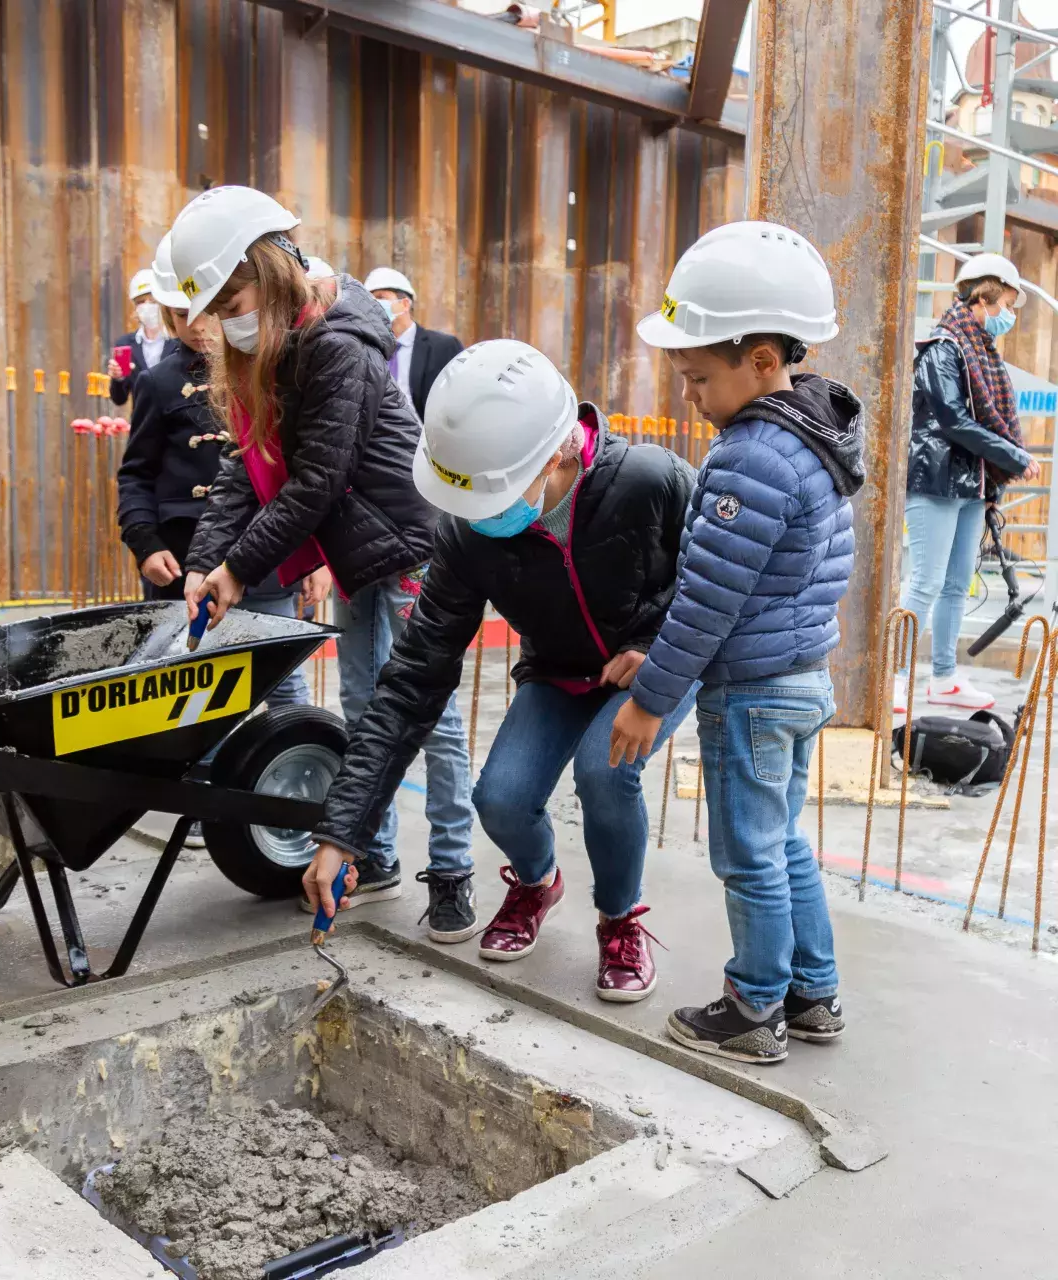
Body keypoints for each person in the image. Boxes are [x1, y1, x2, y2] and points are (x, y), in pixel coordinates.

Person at [303, 340, 697, 983]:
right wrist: (342, 833)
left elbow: (716, 584)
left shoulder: (650, 480)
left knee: (604, 774)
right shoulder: (466, 531)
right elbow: (412, 679)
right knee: (501, 798)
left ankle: (619, 917)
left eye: (492, 498)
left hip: (656, 659)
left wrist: (658, 652)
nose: (477, 518)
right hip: (559, 670)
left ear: (556, 454)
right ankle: (538, 883)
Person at [169, 185, 475, 924]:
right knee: (365, 705)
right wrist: (203, 563)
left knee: (428, 713)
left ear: (272, 272)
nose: (226, 321)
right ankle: (377, 852)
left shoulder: (339, 345)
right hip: (355, 552)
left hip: (410, 547)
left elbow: (316, 482)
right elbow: (245, 465)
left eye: (232, 301)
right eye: (216, 309)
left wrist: (239, 569)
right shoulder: (277, 350)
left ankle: (452, 867)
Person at [612, 221, 861, 1065]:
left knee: (748, 854)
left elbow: (708, 600)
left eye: (697, 377)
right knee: (783, 841)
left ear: (758, 359)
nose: (689, 395)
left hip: (752, 691)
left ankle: (754, 1008)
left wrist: (652, 700)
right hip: (801, 676)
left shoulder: (751, 456)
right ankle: (813, 991)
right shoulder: (816, 435)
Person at [117, 232, 313, 707]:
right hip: (182, 559)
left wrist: (317, 558)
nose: (197, 324)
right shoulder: (157, 381)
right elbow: (135, 475)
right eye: (181, 314)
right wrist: (145, 543)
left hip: (263, 554)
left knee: (282, 681)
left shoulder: (269, 368)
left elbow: (306, 475)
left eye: (205, 310)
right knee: (188, 693)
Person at [896, 252, 1039, 715]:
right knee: (926, 581)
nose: (1008, 316)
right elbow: (953, 419)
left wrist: (995, 480)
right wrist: (1014, 456)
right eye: (1006, 305)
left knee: (957, 584)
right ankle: (894, 679)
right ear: (983, 297)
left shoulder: (981, 353)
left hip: (971, 487)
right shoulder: (943, 348)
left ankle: (943, 678)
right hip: (935, 480)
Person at [364, 267, 462, 421]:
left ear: (404, 304)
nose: (373, 305)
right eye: (369, 300)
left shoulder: (443, 347)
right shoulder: (367, 350)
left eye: (380, 297)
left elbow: (459, 399)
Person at [107, 268, 173, 408]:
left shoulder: (178, 342)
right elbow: (119, 399)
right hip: (142, 420)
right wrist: (118, 378)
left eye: (153, 301)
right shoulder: (125, 344)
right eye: (141, 302)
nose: (147, 306)